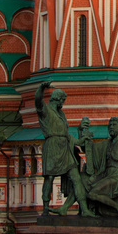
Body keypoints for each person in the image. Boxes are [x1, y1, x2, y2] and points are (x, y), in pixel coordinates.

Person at [35, 81, 92, 217]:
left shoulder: (62, 114)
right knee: (49, 178)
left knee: (76, 178)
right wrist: (41, 88)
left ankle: (84, 209)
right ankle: (45, 208)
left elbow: (67, 136)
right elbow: (37, 100)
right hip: (53, 147)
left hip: (65, 148)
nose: (63, 103)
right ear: (58, 99)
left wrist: (80, 136)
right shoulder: (45, 110)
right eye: (63, 100)